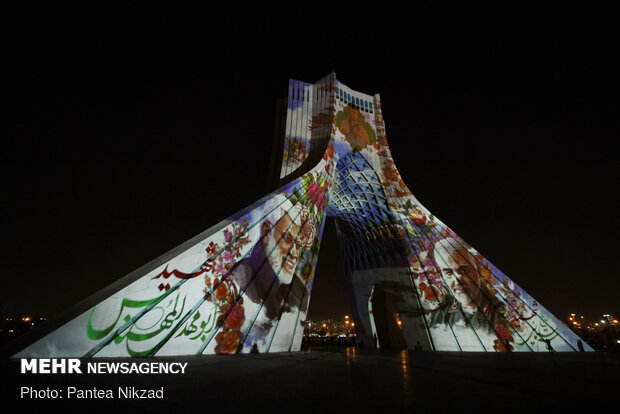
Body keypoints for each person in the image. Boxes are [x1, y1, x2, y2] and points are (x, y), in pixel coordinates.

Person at [233, 193, 315, 345]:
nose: (294, 253)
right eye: (288, 239)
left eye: (298, 245)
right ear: (266, 232)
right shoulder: (239, 277)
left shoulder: (300, 294)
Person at [429, 237, 512, 351]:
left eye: (463, 270)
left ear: (478, 268)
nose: (457, 280)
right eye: (448, 272)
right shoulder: (438, 316)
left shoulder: (503, 315)